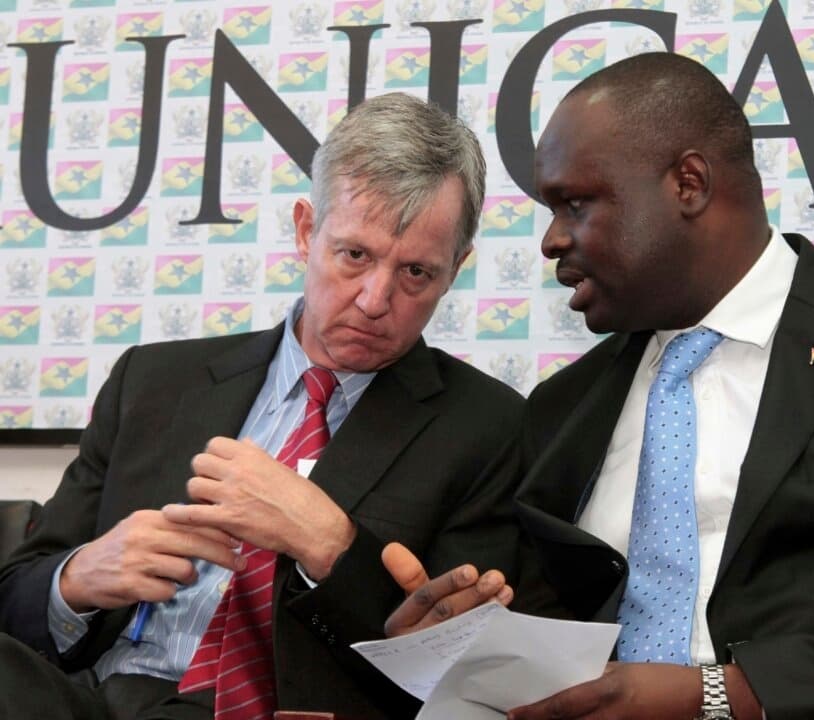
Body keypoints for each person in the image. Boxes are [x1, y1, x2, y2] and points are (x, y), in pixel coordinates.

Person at [386, 52, 814, 719]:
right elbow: (543, 631)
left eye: (575, 203)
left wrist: (722, 696)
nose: (552, 240)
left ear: (690, 183)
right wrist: (456, 646)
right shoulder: (562, 409)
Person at [0, 92, 522, 720]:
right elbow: (14, 601)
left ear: (456, 269)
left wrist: (333, 545)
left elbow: (463, 666)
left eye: (416, 273)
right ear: (307, 231)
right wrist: (76, 581)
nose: (375, 299)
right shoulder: (154, 380)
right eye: (354, 255)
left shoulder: (488, 429)